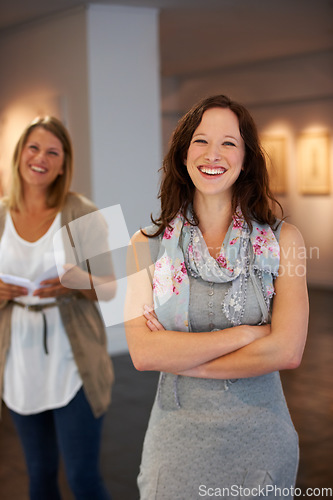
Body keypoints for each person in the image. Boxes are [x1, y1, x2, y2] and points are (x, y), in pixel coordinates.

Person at [125, 95, 309, 499]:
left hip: (260, 441)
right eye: (200, 141)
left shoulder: (284, 242)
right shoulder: (144, 246)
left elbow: (288, 351)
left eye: (229, 142)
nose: (213, 154)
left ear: (246, 159)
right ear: (182, 154)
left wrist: (183, 359)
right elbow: (143, 353)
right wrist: (248, 334)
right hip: (176, 444)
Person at [0, 116, 115, 499]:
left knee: (83, 478)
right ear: (19, 155)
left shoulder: (81, 211)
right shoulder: (1, 213)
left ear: (64, 163)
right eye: (34, 148)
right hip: (19, 362)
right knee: (39, 474)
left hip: (73, 361)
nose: (41, 158)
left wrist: (77, 281)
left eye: (53, 152)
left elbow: (113, 289)